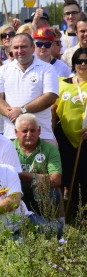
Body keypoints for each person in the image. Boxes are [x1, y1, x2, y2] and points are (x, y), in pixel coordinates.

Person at [0, 33, 59, 144]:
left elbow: (50, 97)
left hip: (42, 135)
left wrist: (22, 110)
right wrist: (12, 114)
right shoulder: (3, 69)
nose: (19, 50)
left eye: (23, 47)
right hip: (12, 135)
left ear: (33, 48)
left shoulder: (47, 68)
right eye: (16, 47)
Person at [54, 47, 87, 220]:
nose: (83, 64)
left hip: (85, 140)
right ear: (73, 63)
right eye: (79, 61)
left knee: (84, 178)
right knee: (67, 177)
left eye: (86, 61)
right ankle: (71, 215)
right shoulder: (61, 83)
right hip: (65, 139)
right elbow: (54, 110)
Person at [14, 114, 62, 218]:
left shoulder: (50, 148)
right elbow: (6, 176)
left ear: (39, 131)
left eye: (33, 130)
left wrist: (39, 182)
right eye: (24, 131)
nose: (29, 134)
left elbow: (56, 179)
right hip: (17, 194)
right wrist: (35, 177)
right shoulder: (9, 148)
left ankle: (49, 224)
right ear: (16, 132)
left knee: (52, 192)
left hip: (39, 193)